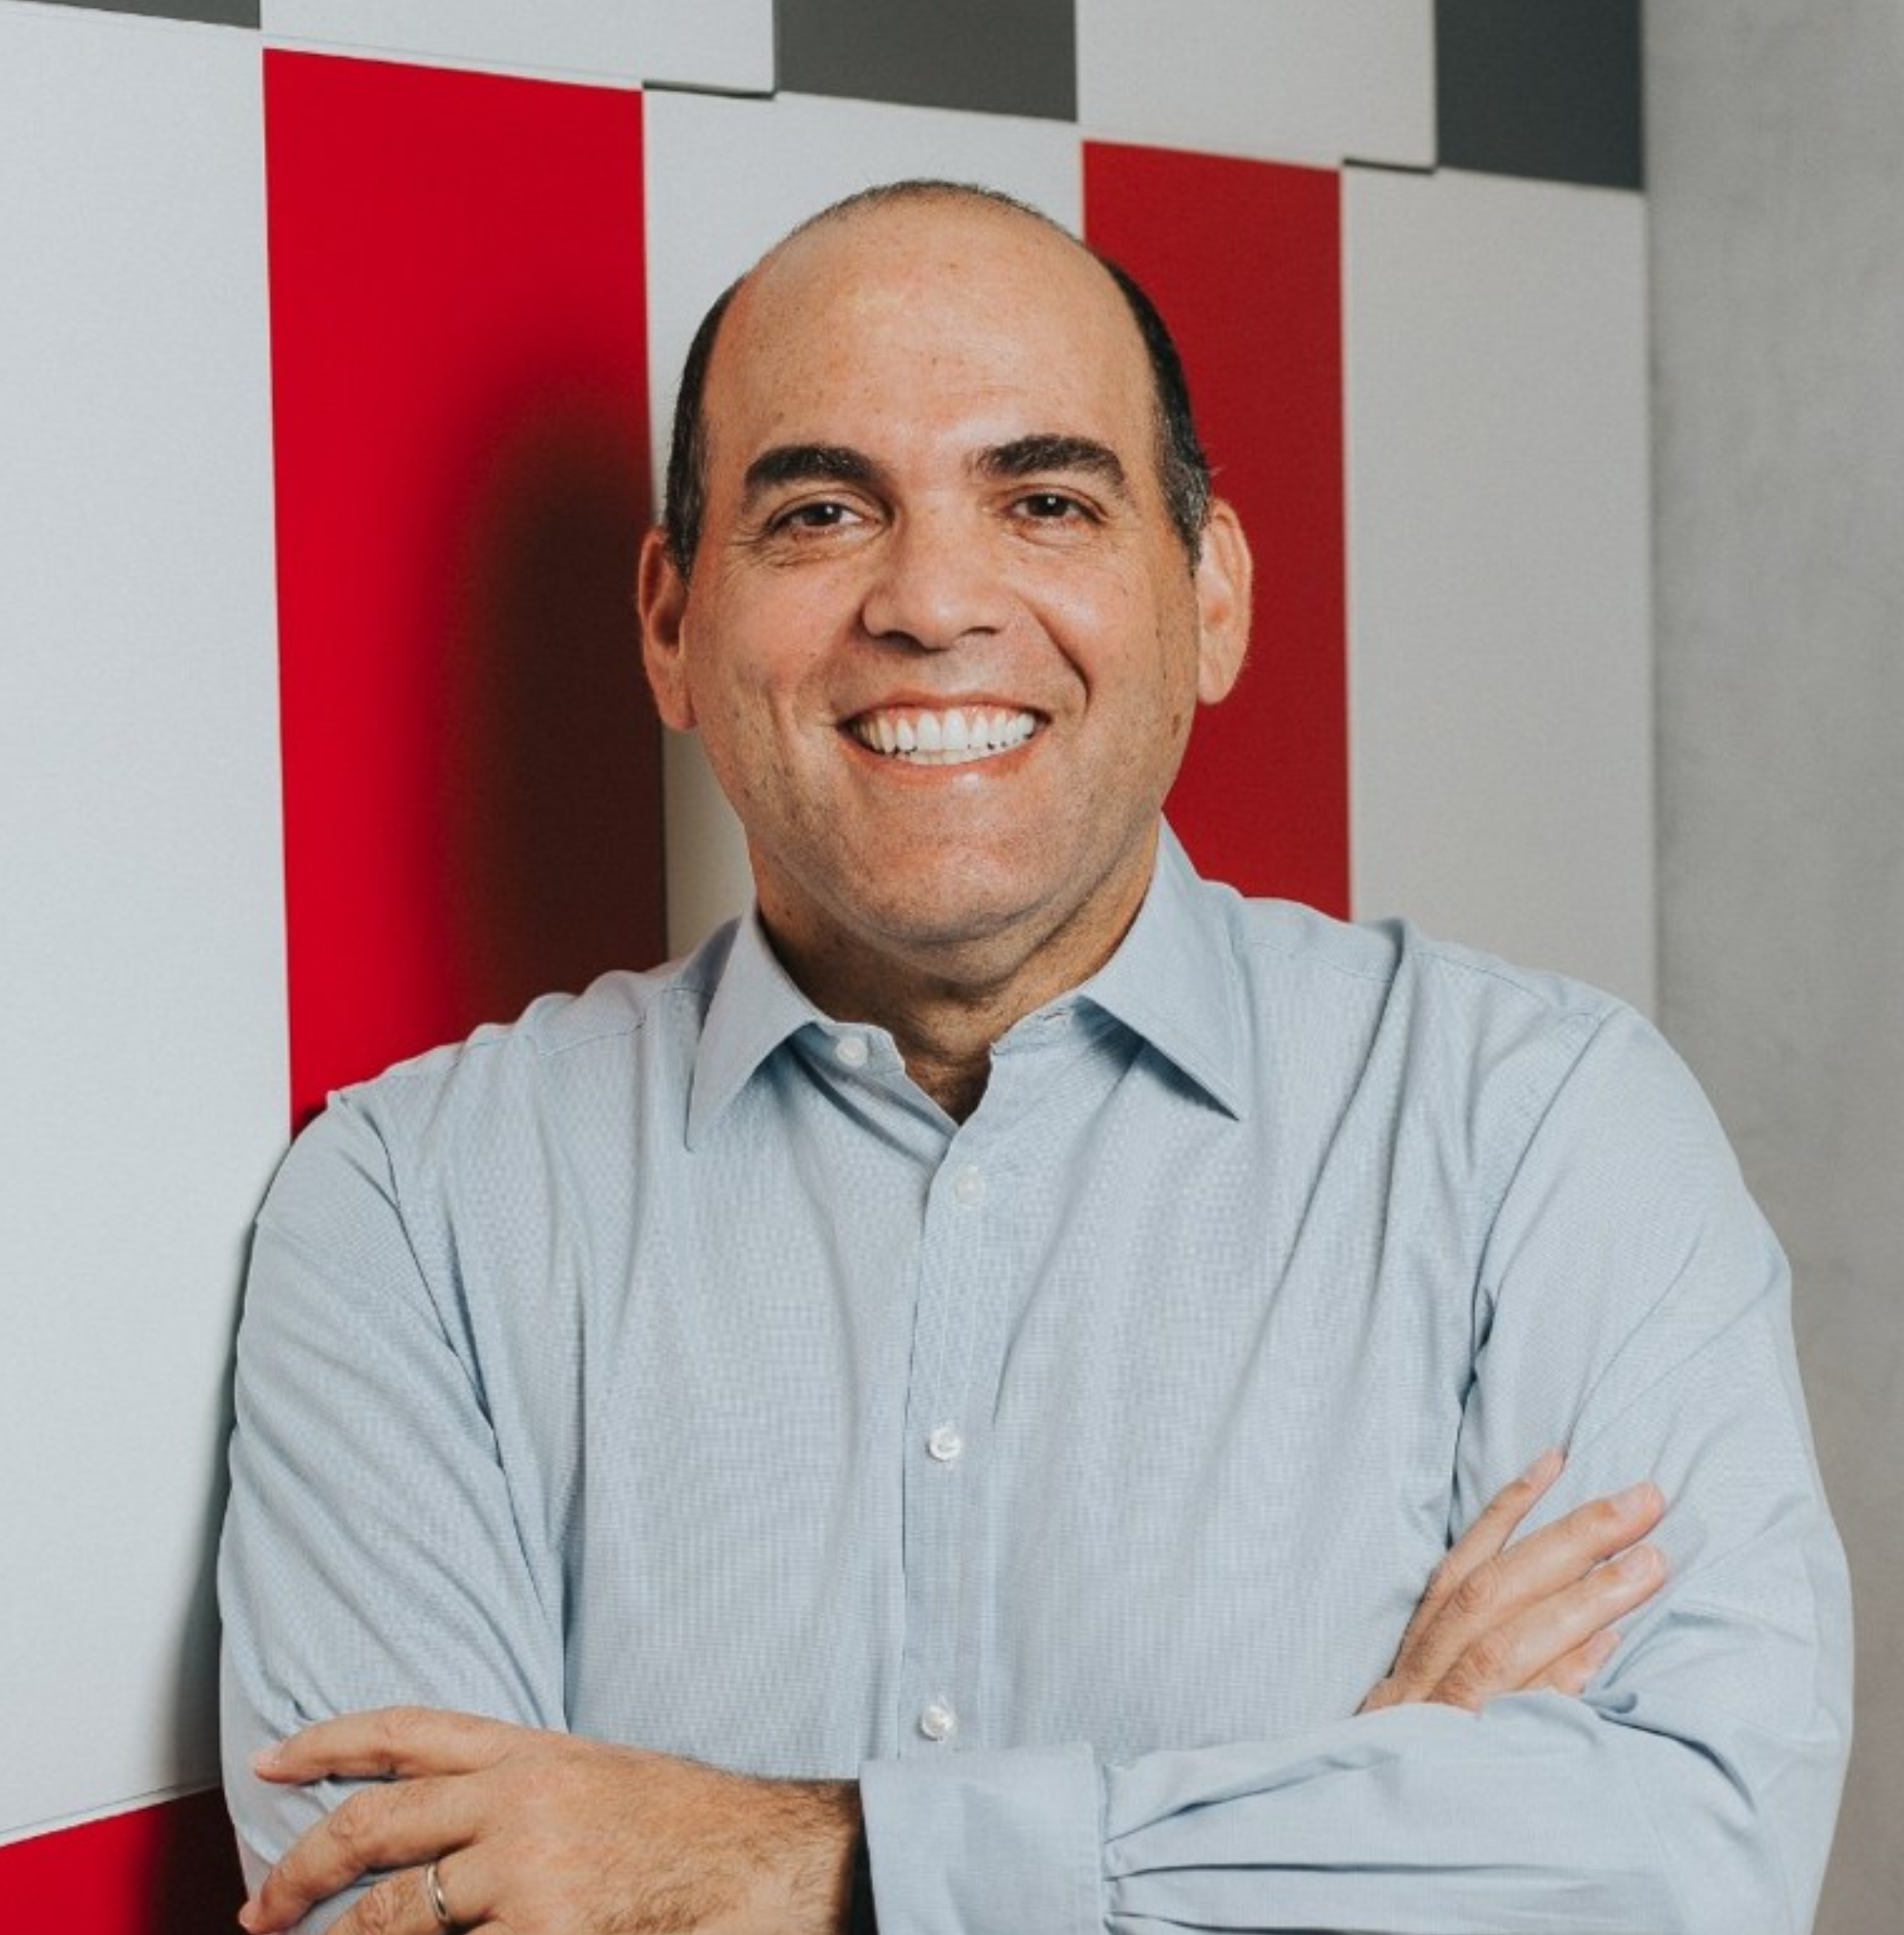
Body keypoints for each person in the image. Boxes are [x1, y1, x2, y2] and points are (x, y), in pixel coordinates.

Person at [220, 180, 1851, 1935]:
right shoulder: (415, 1214)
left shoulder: (1540, 1128)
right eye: (822, 511)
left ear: (1209, 595)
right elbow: (385, 1910)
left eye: (1046, 501)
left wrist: (793, 1861)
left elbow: (1691, 1865)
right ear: (672, 624)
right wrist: (1330, 1823)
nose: (932, 601)